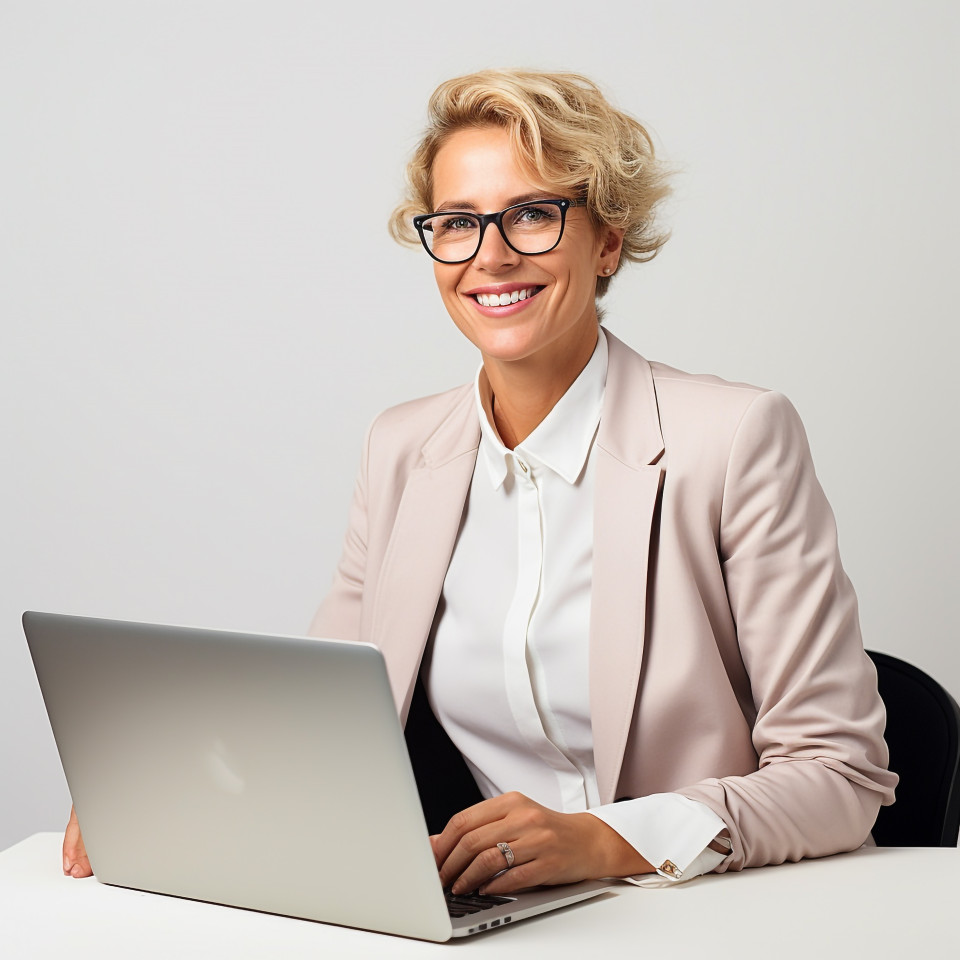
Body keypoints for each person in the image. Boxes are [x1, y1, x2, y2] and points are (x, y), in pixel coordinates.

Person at [63, 68, 897, 892]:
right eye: (458, 223)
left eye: (532, 214)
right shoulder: (402, 450)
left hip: (699, 910)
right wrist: (160, 796)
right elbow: (316, 730)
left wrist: (604, 840)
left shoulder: (733, 438)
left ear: (607, 240)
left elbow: (841, 776)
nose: (490, 257)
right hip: (499, 915)